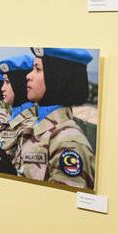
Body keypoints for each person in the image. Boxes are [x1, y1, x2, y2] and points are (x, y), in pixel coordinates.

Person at [15, 48, 96, 189]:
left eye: (37, 69)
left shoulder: (67, 142)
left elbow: (62, 205)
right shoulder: (39, 127)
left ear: (57, 77)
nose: (28, 75)